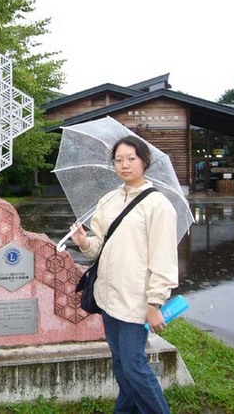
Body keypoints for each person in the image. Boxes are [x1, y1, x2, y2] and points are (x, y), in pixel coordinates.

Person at [70, 135, 178, 414]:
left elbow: (164, 259)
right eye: (119, 160)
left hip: (136, 300)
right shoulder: (109, 200)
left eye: (131, 159)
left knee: (133, 364)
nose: (125, 165)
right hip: (108, 296)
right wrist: (83, 241)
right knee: (120, 363)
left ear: (144, 161)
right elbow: (98, 248)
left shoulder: (158, 205)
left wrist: (155, 304)